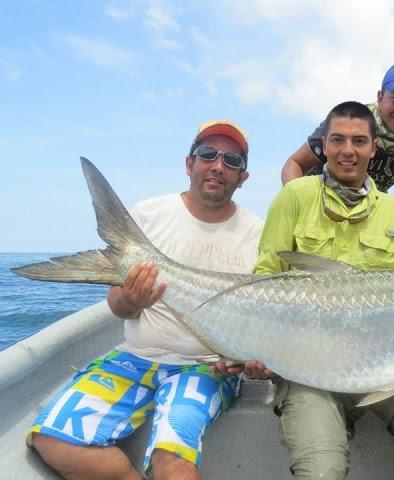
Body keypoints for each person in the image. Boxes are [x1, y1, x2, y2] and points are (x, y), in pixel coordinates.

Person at [27, 120, 265, 480]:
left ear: (243, 177)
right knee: (50, 439)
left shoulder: (258, 234)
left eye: (231, 160)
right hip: (134, 358)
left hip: (205, 368)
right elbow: (117, 305)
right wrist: (133, 300)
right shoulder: (149, 215)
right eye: (207, 154)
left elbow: (260, 320)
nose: (218, 165)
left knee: (173, 463)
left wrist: (246, 358)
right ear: (189, 164)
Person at [255, 101, 394, 480]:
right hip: (310, 370)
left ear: (373, 148)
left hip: (390, 366)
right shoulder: (294, 197)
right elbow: (264, 280)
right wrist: (258, 347)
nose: (348, 150)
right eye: (338, 139)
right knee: (321, 471)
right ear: (322, 145)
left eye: (359, 141)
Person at [281, 59, 394, 224]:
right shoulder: (351, 121)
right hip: (317, 201)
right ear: (380, 98)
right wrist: (299, 204)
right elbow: (294, 163)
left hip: (365, 212)